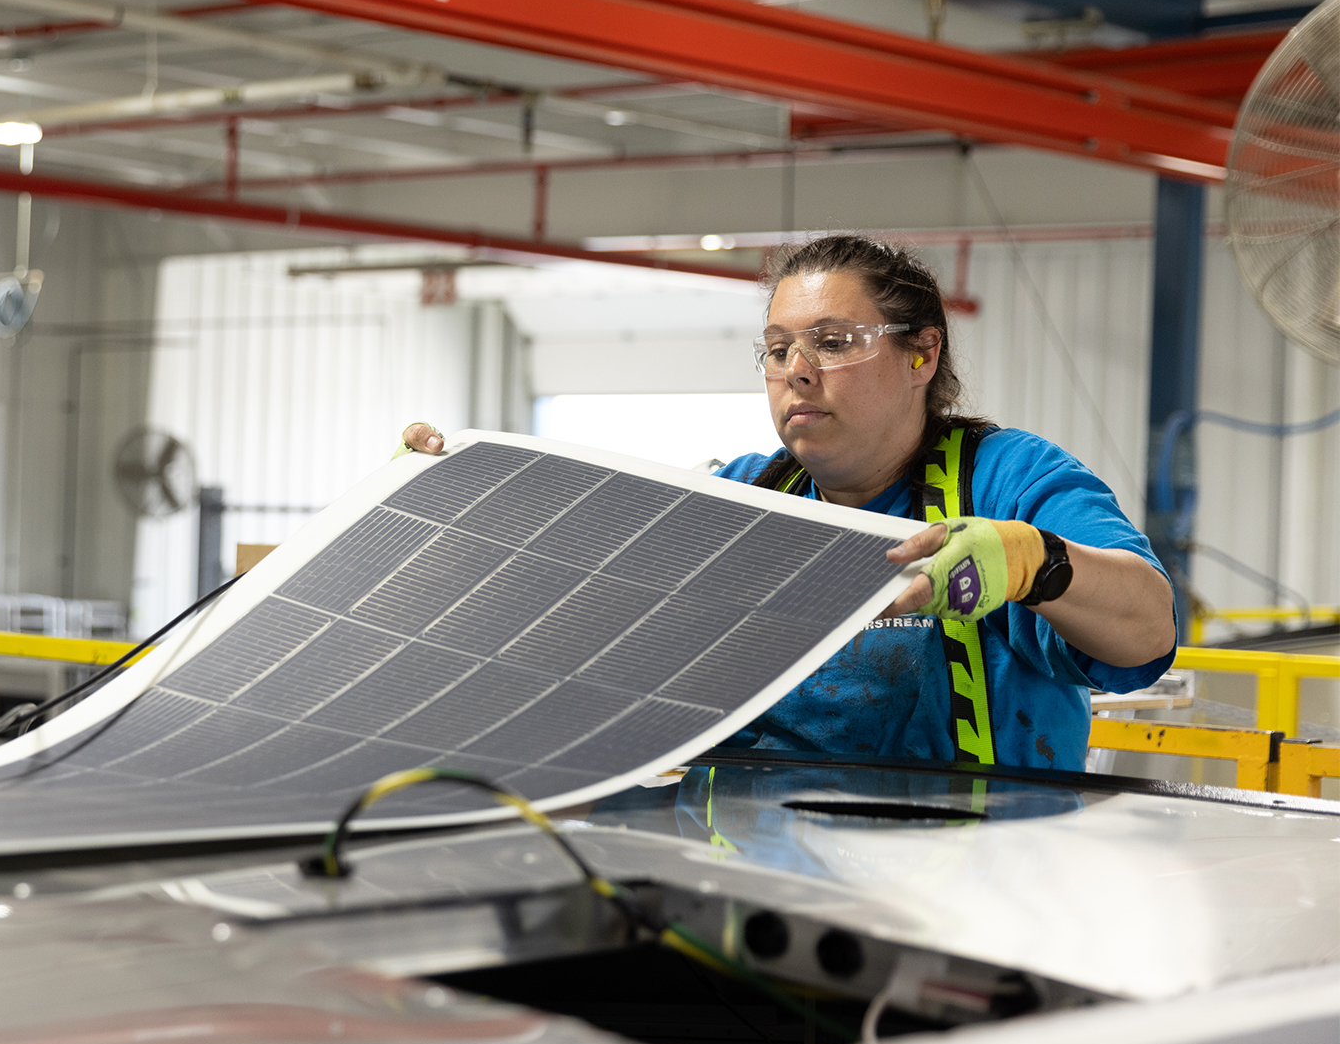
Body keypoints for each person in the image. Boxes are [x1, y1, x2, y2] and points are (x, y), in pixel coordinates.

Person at [402, 234, 1176, 770]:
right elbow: (582, 616)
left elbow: (1147, 629)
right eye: (778, 349)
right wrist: (464, 508)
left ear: (921, 353)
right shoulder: (742, 495)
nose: (798, 371)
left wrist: (1033, 561)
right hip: (748, 876)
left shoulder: (1005, 478)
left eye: (835, 342)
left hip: (968, 890)